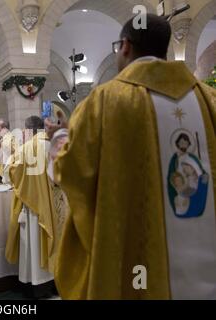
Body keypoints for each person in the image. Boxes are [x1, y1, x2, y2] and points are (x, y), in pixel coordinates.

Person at [47, 14, 216, 299]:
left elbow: (72, 172)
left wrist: (59, 137)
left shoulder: (105, 101)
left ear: (124, 46)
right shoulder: (208, 99)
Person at [5, 116, 67, 298]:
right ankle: (58, 282)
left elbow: (11, 173)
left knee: (35, 247)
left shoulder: (26, 149)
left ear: (27, 131)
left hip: (36, 209)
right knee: (60, 241)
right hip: (60, 207)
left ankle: (39, 286)